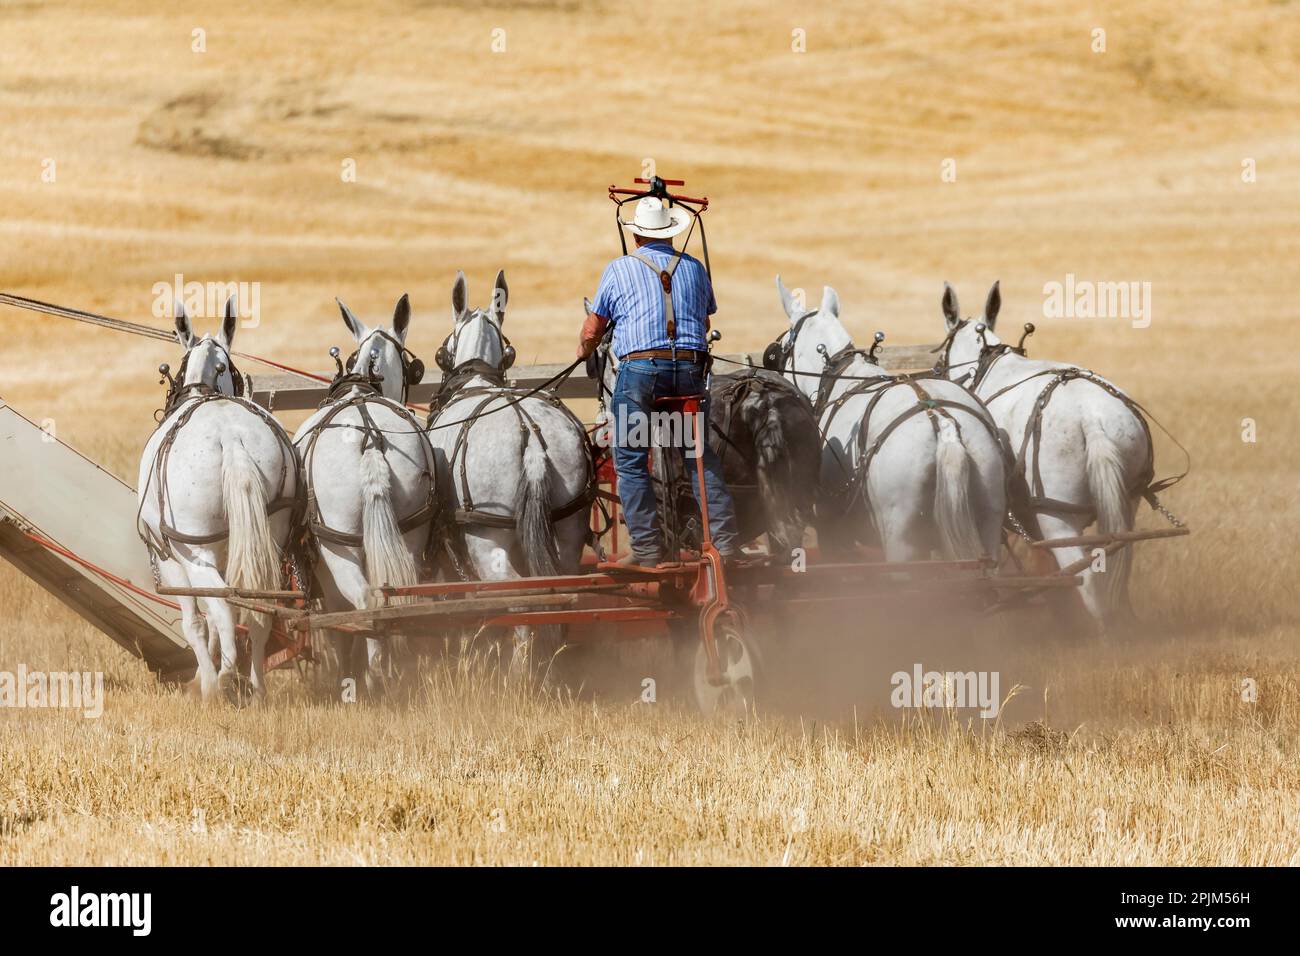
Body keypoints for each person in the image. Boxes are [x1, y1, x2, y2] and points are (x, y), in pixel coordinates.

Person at [577, 196, 740, 567]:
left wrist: (583, 350)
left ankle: (649, 550)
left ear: (636, 237)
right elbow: (705, 320)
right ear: (670, 235)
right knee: (699, 456)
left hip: (641, 378)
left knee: (631, 460)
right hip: (688, 375)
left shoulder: (619, 269)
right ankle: (726, 544)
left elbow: (594, 326)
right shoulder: (695, 269)